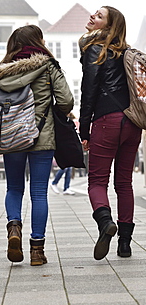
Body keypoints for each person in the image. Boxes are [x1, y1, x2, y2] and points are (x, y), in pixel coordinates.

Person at [0, 25, 73, 266]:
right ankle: (37, 250)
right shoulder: (48, 66)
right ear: (38, 41)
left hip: (11, 137)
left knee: (14, 188)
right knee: (39, 191)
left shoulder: (0, 73)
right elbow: (66, 100)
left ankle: (13, 227)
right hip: (42, 136)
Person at [79, 6, 142, 260]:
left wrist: (84, 128)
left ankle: (105, 223)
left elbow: (89, 91)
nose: (93, 16)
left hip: (107, 121)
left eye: (100, 15)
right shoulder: (127, 52)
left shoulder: (94, 49)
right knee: (124, 183)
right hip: (132, 122)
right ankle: (125, 244)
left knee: (97, 181)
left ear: (108, 26)